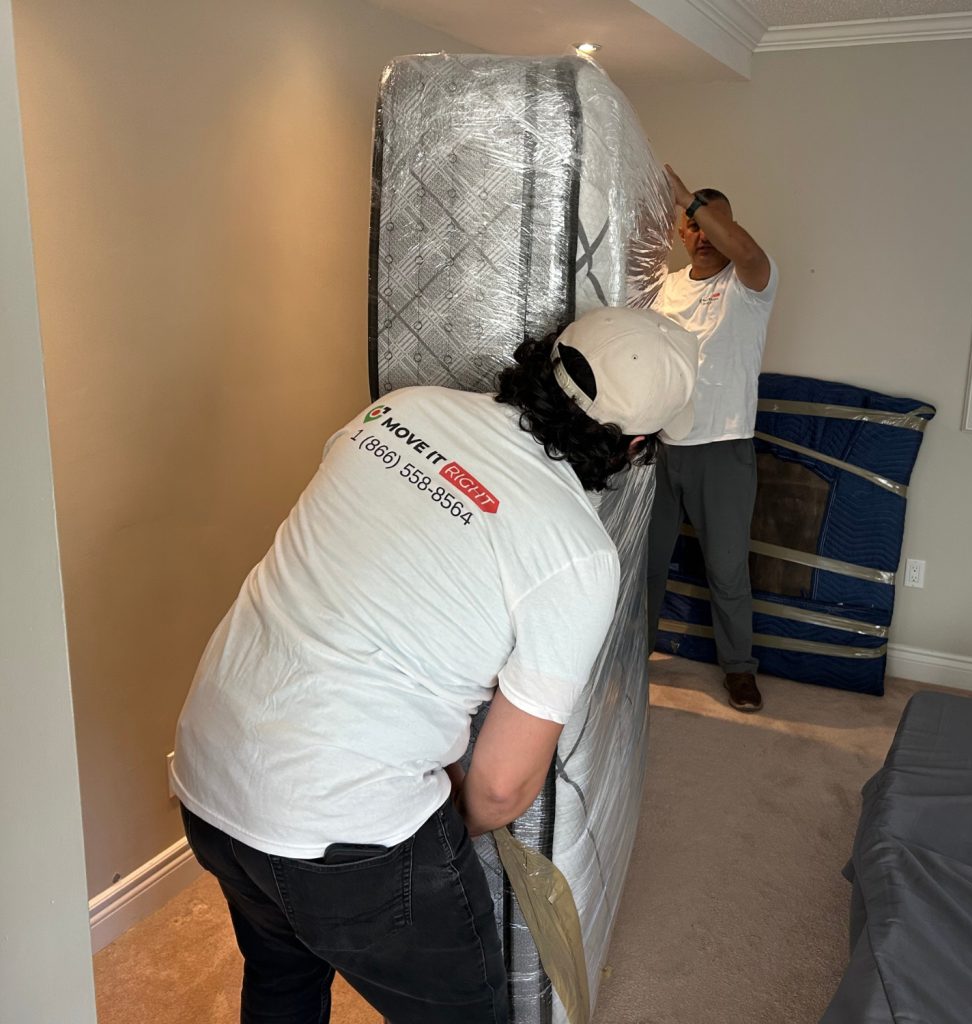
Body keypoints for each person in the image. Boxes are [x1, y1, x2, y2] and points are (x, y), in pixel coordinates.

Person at [171, 306, 699, 1024]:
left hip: (210, 770)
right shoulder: (575, 552)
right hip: (341, 833)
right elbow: (503, 788)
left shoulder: (399, 411)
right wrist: (438, 838)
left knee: (282, 976)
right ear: (634, 447)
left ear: (545, 360)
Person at [647, 165, 778, 714]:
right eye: (693, 224)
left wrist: (687, 197)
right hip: (657, 448)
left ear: (728, 226)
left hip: (722, 448)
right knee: (646, 564)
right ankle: (632, 656)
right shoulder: (663, 286)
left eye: (713, 222)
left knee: (726, 569)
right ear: (682, 232)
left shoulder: (750, 285)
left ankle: (739, 670)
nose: (702, 234)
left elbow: (747, 251)